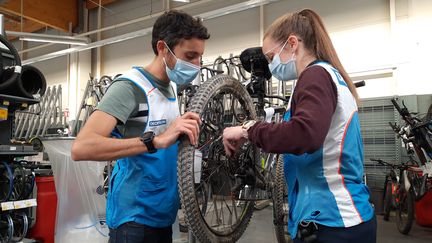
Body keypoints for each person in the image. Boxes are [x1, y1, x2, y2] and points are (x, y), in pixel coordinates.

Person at [222, 9, 376, 243]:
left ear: (292, 43)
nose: (271, 66)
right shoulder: (330, 75)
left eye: (272, 57)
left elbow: (303, 134)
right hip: (342, 219)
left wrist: (248, 129)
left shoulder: (315, 76)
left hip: (331, 223)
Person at [71, 10, 210, 243]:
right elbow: (82, 147)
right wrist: (154, 141)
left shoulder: (171, 87)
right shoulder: (130, 87)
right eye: (190, 56)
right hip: (134, 219)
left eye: (200, 57)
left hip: (162, 213)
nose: (196, 65)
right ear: (163, 49)